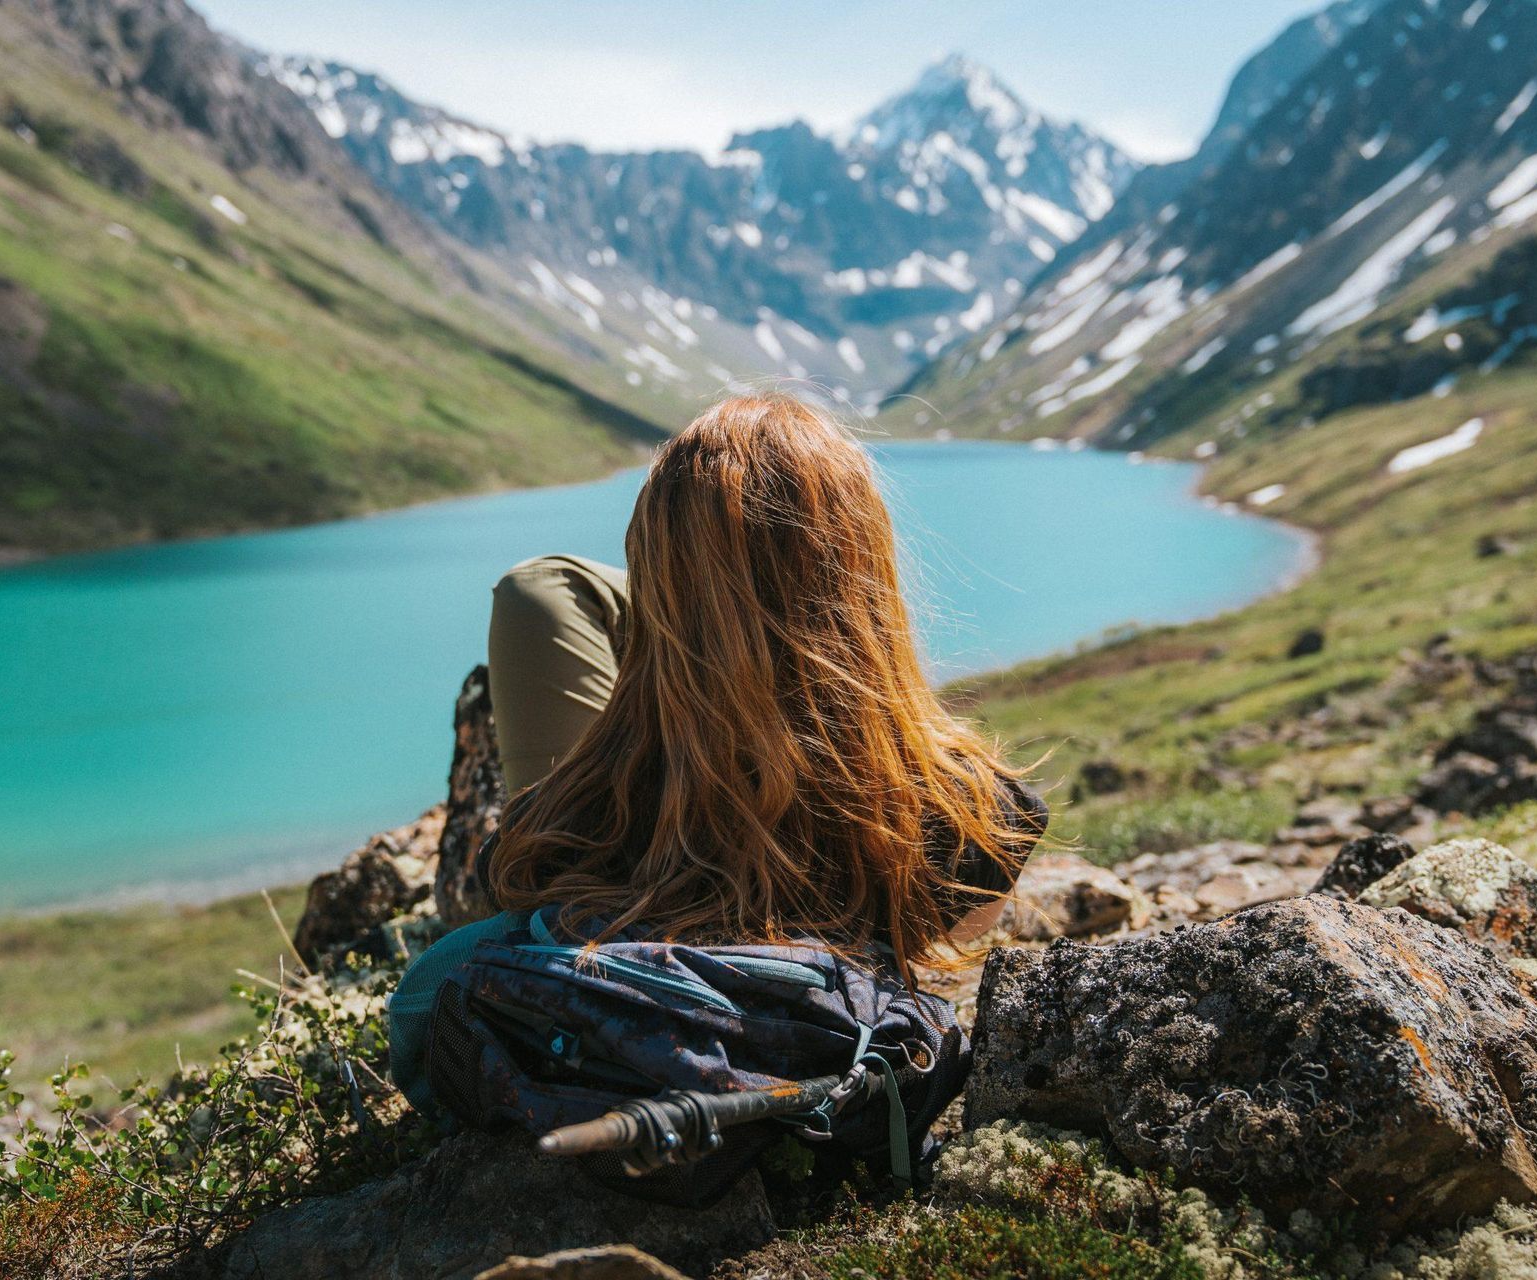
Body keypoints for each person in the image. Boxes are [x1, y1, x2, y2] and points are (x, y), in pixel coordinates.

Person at [388, 394, 1046, 1117]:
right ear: (869, 574)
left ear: (653, 577)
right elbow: (954, 928)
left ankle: (710, 583)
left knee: (543, 589)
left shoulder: (595, 813)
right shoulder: (980, 816)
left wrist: (697, 621)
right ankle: (765, 576)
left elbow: (511, 882)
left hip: (622, 901)